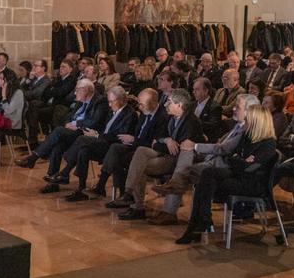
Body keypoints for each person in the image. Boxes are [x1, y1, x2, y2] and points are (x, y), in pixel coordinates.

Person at [176, 103, 279, 244]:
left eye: (249, 119)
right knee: (207, 175)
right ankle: (202, 221)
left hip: (252, 184)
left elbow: (249, 170)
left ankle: (198, 226)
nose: (246, 122)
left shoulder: (268, 144)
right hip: (238, 176)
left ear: (257, 122)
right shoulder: (247, 137)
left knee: (206, 182)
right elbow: (234, 159)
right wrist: (241, 161)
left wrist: (239, 161)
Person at [116, 89, 205, 223]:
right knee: (140, 152)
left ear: (179, 105)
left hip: (183, 161)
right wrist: (166, 140)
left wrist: (161, 143)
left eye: (169, 102)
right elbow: (158, 138)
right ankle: (131, 197)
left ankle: (143, 204)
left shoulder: (191, 121)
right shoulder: (170, 117)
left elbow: (179, 149)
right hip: (168, 156)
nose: (165, 105)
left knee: (140, 165)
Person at [17, 79, 108, 187]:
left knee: (59, 131)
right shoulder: (81, 100)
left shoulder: (100, 101)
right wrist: (68, 123)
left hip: (86, 134)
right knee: (57, 146)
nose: (75, 93)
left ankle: (34, 157)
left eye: (77, 90)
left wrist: (77, 124)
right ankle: (52, 182)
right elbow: (68, 116)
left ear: (86, 90)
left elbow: (94, 121)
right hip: (73, 132)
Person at [61, 86, 139, 201]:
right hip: (102, 142)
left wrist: (97, 136)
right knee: (84, 150)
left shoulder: (130, 114)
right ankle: (82, 189)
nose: (109, 105)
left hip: (113, 146)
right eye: (108, 101)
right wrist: (95, 133)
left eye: (112, 101)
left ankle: (66, 171)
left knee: (82, 140)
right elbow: (105, 129)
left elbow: (120, 136)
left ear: (121, 100)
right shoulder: (111, 111)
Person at [190, 76, 223, 141]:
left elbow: (212, 126)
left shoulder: (215, 107)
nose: (194, 92)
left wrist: (192, 122)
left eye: (197, 89)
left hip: (206, 139)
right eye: (194, 89)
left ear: (206, 91)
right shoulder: (191, 105)